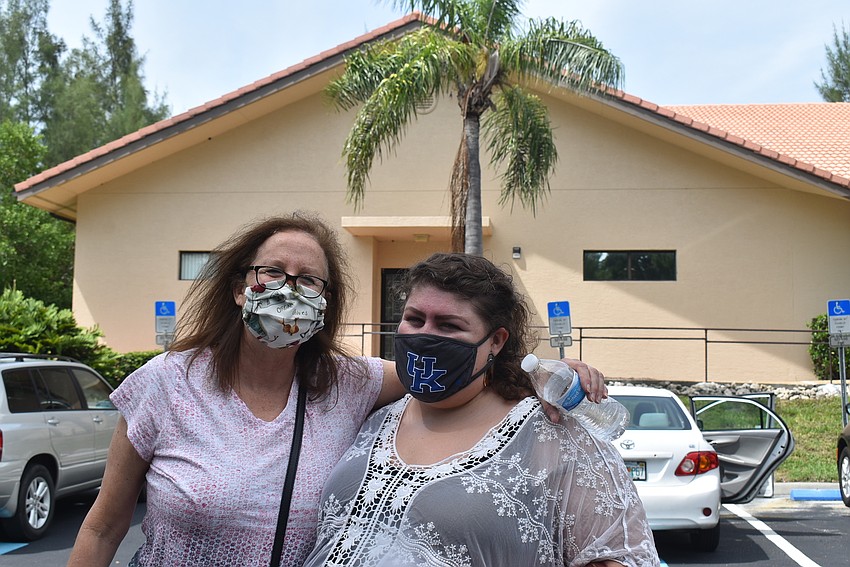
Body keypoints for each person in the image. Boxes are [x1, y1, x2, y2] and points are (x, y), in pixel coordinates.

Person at [67, 212, 609, 567]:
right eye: (272, 272)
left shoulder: (347, 384)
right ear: (238, 288)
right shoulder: (165, 383)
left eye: (308, 280)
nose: (288, 289)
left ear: (325, 301)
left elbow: (449, 368)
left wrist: (545, 372)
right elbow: (103, 528)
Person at [303, 252, 659, 567]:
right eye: (414, 319)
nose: (426, 336)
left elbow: (616, 555)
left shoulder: (554, 434)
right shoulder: (376, 412)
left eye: (449, 325)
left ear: (496, 341)